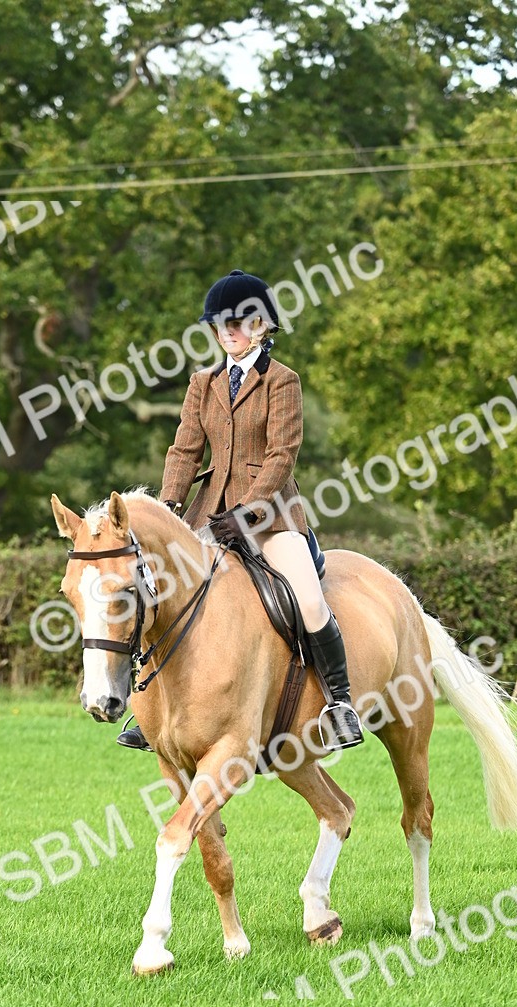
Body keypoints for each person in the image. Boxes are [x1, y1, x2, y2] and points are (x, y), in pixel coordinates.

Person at [117, 268, 364, 752]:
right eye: (222, 324)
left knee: (309, 598)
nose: (229, 331)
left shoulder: (282, 381)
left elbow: (281, 453)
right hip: (210, 514)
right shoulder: (201, 383)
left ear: (262, 326)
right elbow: (185, 450)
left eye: (240, 322)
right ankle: (147, 710)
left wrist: (249, 512)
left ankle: (340, 702)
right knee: (160, 590)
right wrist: (169, 506)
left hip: (271, 517)